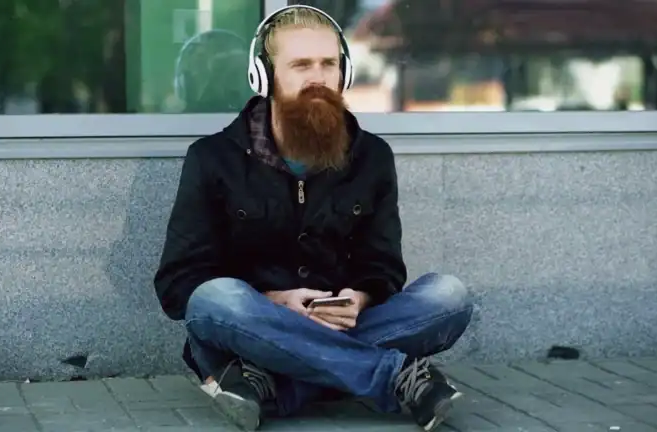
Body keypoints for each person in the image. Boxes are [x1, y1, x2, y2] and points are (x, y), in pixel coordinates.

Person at [154, 5, 473, 431]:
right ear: (264, 77)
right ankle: (393, 375)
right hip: (247, 327)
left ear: (346, 73)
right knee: (214, 298)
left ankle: (268, 381)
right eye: (301, 65)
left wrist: (359, 297)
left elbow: (383, 267)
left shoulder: (372, 156)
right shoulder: (212, 158)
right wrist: (273, 301)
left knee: (449, 297)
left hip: (335, 325)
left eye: (329, 64)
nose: (318, 77)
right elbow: (177, 286)